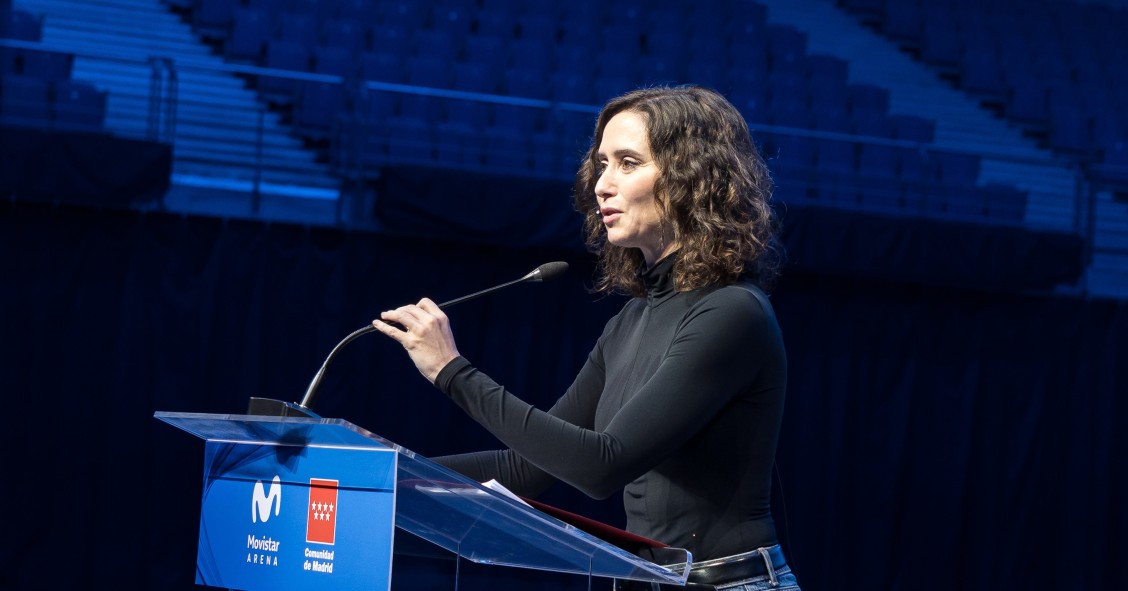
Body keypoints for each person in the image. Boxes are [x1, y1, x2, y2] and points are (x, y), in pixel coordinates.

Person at [371, 85, 799, 591]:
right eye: (601, 164)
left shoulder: (732, 312)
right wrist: (379, 476)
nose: (602, 184)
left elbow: (601, 466)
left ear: (691, 179)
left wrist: (452, 372)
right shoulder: (630, 321)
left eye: (628, 163)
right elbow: (524, 469)